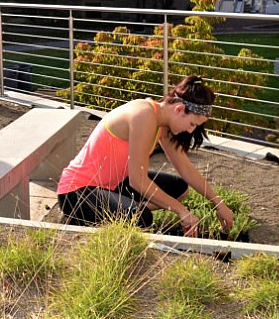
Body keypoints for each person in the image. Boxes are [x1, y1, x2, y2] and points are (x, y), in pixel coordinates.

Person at [56, 75, 233, 238]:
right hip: (77, 192)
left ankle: (115, 211)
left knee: (179, 188)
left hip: (112, 185)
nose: (190, 130)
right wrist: (182, 212)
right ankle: (90, 215)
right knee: (141, 218)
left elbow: (185, 167)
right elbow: (137, 180)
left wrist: (218, 203)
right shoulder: (144, 115)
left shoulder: (161, 123)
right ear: (179, 109)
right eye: (192, 123)